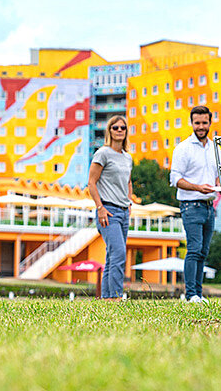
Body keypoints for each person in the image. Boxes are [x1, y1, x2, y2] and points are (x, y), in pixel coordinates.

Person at [170, 106, 219, 303]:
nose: (200, 126)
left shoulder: (214, 148)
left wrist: (218, 186)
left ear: (210, 122)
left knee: (204, 252)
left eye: (204, 123)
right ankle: (190, 295)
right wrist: (198, 188)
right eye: (197, 123)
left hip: (209, 207)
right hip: (191, 205)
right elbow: (175, 179)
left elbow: (216, 176)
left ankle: (198, 294)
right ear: (191, 123)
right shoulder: (183, 148)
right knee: (194, 249)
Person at [88, 115, 133, 301]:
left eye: (123, 127)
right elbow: (91, 182)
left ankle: (107, 298)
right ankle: (115, 297)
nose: (120, 130)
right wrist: (100, 208)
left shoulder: (127, 157)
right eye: (115, 128)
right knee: (119, 254)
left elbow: (128, 181)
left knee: (112, 255)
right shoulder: (102, 153)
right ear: (109, 131)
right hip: (108, 210)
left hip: (123, 212)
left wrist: (129, 202)